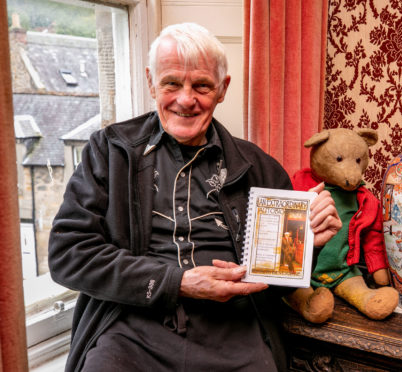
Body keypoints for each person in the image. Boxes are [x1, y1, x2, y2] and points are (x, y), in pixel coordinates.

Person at [48, 22, 341, 372]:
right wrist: (180, 282)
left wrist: (309, 242)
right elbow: (69, 255)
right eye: (172, 83)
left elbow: (274, 285)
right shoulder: (110, 152)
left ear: (222, 89)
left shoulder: (259, 168)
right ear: (151, 81)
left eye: (201, 85)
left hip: (235, 332)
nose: (186, 100)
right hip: (130, 327)